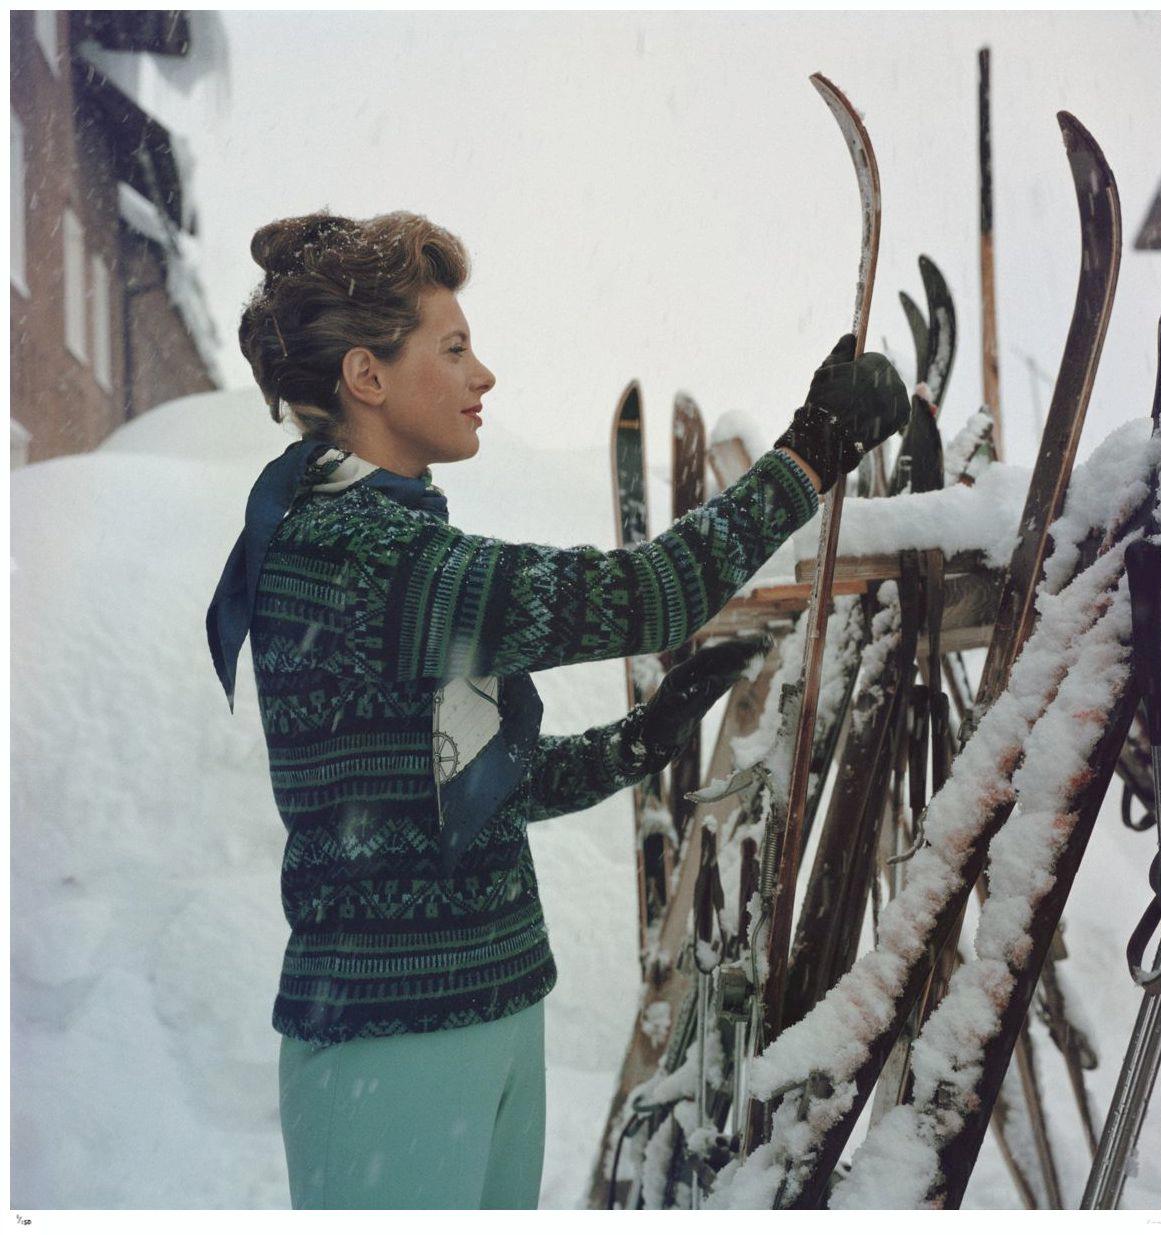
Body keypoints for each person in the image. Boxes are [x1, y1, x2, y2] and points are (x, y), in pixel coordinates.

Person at [207, 208, 908, 1210]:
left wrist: (647, 731)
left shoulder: (380, 534)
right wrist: (810, 451)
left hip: (483, 1013)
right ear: (368, 376)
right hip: (392, 1048)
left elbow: (482, 786)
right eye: (452, 350)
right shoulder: (361, 551)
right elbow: (645, 593)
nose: (481, 375)